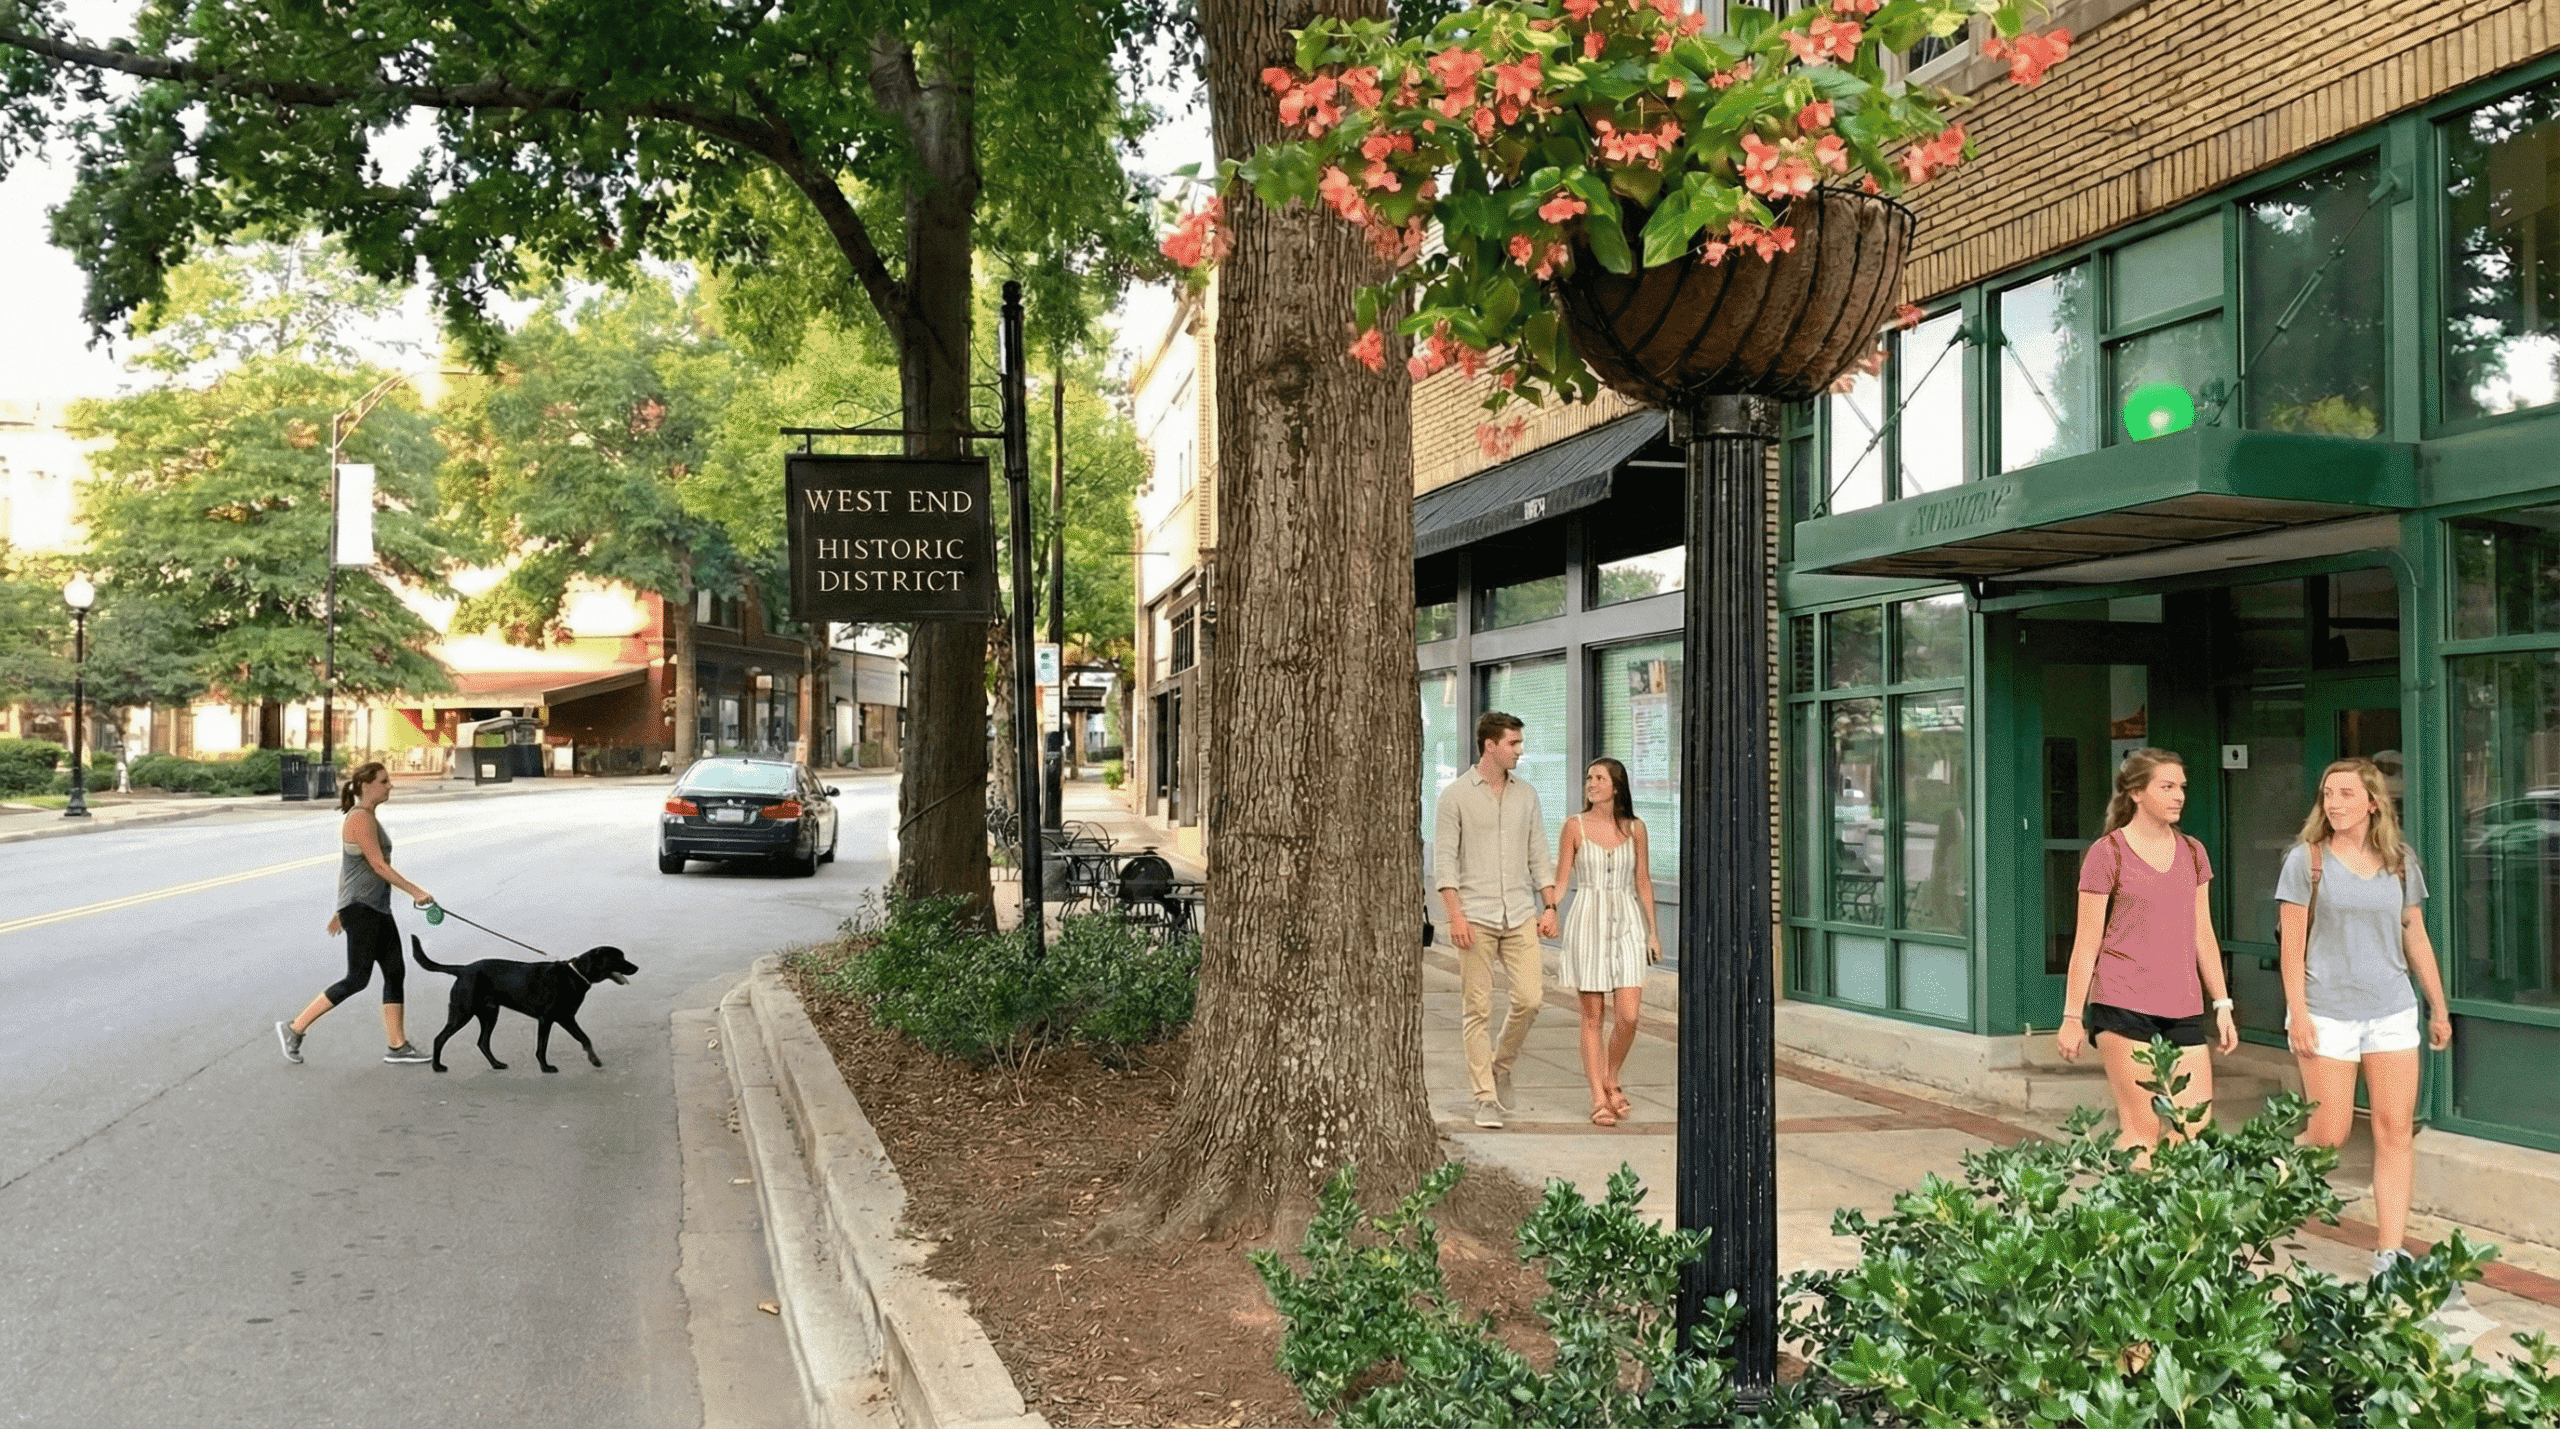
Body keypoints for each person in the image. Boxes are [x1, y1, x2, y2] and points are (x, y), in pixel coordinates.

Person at [2277, 757, 2454, 1280]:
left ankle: (2389, 1253)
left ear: (2373, 802)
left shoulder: (2400, 860)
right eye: (2328, 794)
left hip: (2392, 1011)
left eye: (2346, 794)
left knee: (2395, 1129)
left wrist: (2438, 1006)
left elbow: (2414, 934)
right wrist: (2298, 1014)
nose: (2334, 803)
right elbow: (2291, 946)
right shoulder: (2305, 860)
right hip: (2327, 1010)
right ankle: (2265, 1180)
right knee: (2328, 1132)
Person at [2055, 748, 2239, 1160]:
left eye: (2182, 788)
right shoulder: (2109, 853)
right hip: (2122, 1002)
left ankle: (2172, 1221)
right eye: (2167, 787)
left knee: (2191, 1128)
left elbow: (2203, 934)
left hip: (2183, 1004)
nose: (2179, 796)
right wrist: (2071, 1017)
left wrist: (2223, 1003)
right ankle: (2131, 1222)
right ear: (2136, 793)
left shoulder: (2194, 852)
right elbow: (2087, 943)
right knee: (2143, 1129)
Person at [1432, 711, 1558, 1130]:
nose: (1520, 751)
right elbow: (1444, 862)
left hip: (1520, 912)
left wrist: (1550, 905)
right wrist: (1455, 917)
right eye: (1513, 744)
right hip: (1475, 915)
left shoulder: (1527, 795)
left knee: (1530, 998)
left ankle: (1501, 1066)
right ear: (1491, 745)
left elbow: (1539, 854)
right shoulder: (1455, 796)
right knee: (1477, 1009)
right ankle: (1484, 1096)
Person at [276, 762, 437, 1065]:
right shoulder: (361, 818)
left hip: (372, 907)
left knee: (395, 971)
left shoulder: (368, 817)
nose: (390, 786)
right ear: (366, 785)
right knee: (357, 978)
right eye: (384, 781)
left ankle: (397, 1045)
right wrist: (415, 891)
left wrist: (341, 907)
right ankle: (294, 1028)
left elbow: (350, 868)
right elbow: (377, 865)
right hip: (363, 910)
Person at [1551, 757, 1660, 1127]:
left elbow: (1643, 881)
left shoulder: (1636, 829)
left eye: (1599, 778)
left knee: (1629, 1015)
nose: (1591, 783)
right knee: (1593, 1015)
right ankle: (1598, 1096)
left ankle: (1612, 1075)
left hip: (1627, 920)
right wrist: (1550, 909)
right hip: (1588, 919)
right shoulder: (1573, 827)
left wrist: (1653, 931)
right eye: (1588, 777)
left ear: (1616, 786)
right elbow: (1562, 879)